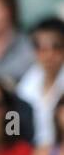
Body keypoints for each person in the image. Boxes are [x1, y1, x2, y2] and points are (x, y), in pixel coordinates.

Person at [18, 18, 64, 148]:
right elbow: (14, 119)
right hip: (32, 150)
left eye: (56, 47)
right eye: (42, 48)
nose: (49, 55)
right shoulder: (27, 81)